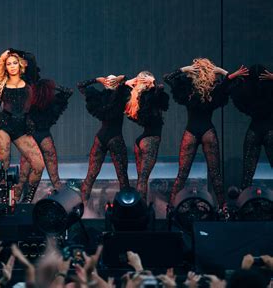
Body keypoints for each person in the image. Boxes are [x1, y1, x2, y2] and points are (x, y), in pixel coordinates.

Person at [164, 58, 248, 211]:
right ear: (211, 73)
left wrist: (185, 69)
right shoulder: (214, 90)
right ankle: (224, 208)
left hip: (191, 131)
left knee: (182, 174)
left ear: (195, 73)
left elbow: (168, 78)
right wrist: (222, 71)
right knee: (215, 174)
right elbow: (231, 84)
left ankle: (170, 209)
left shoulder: (188, 90)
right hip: (208, 131)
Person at [0, 50, 45, 203]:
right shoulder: (1, 85)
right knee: (4, 162)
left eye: (14, 63)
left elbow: (31, 57)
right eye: (8, 64)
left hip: (22, 126)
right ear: (4, 67)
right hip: (3, 124)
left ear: (20, 65)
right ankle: (5, 199)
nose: (12, 66)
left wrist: (12, 50)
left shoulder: (29, 80)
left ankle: (26, 199)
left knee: (39, 164)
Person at [17, 78, 73, 201]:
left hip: (30, 140)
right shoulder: (51, 104)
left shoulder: (27, 103)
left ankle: (21, 204)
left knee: (23, 178)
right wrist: (51, 86)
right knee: (55, 179)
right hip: (45, 138)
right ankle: (63, 203)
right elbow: (69, 91)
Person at [77, 74, 130, 203]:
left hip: (101, 137)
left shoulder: (102, 98)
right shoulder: (120, 96)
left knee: (91, 175)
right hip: (115, 138)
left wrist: (97, 79)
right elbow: (126, 81)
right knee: (122, 177)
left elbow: (81, 85)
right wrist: (119, 80)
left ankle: (82, 206)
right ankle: (127, 207)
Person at [124, 71, 169, 201]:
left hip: (141, 141)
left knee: (141, 179)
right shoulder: (152, 97)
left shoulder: (140, 98)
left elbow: (125, 84)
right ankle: (140, 209)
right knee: (143, 179)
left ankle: (138, 207)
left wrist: (134, 81)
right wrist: (153, 84)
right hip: (150, 140)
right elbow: (160, 92)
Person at [230, 64, 273, 189]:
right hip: (270, 130)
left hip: (254, 130)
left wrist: (236, 75)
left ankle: (244, 201)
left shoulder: (247, 91)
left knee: (247, 173)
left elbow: (229, 88)